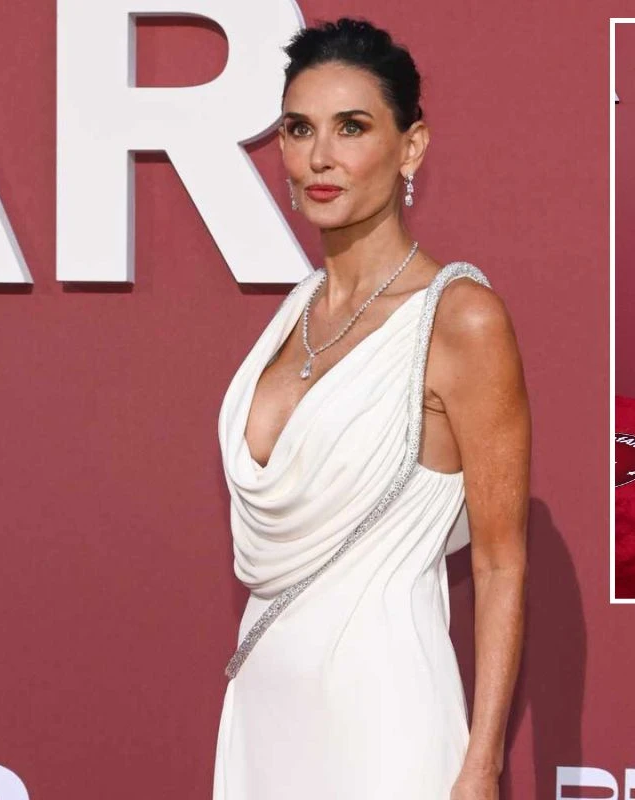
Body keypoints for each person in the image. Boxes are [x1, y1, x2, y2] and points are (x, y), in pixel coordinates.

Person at [213, 18, 530, 799]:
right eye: (299, 129)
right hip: (262, 712)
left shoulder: (461, 319)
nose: (319, 157)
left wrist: (482, 763)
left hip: (384, 720)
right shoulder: (295, 311)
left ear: (410, 147)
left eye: (351, 127)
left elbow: (499, 560)